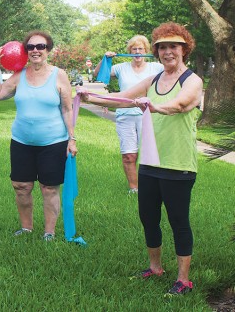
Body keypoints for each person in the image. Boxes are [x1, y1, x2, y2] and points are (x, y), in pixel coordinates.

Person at [80, 22, 202, 295]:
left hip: (178, 165)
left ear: (184, 49)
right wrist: (89, 96)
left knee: (178, 221)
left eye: (174, 46)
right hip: (150, 163)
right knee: (148, 217)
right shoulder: (154, 80)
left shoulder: (192, 80)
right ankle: (155, 267)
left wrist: (156, 106)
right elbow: (121, 99)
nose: (168, 52)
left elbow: (181, 104)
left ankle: (183, 280)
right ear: (156, 51)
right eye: (163, 47)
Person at [0, 31, 77, 241]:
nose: (36, 50)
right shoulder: (19, 74)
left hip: (53, 142)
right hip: (22, 142)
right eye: (30, 47)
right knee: (21, 187)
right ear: (25, 51)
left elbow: (67, 109)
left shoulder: (59, 75)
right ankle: (26, 228)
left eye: (40, 46)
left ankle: (49, 232)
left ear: (48, 49)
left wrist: (72, 138)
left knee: (49, 188)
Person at [93, 36, 164, 193]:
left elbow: (175, 71)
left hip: (148, 116)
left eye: (141, 49)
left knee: (150, 155)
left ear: (146, 51)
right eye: (134, 49)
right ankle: (134, 189)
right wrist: (105, 58)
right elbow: (99, 73)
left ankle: (152, 188)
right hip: (125, 115)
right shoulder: (121, 68)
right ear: (129, 51)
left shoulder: (156, 67)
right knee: (129, 155)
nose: (137, 52)